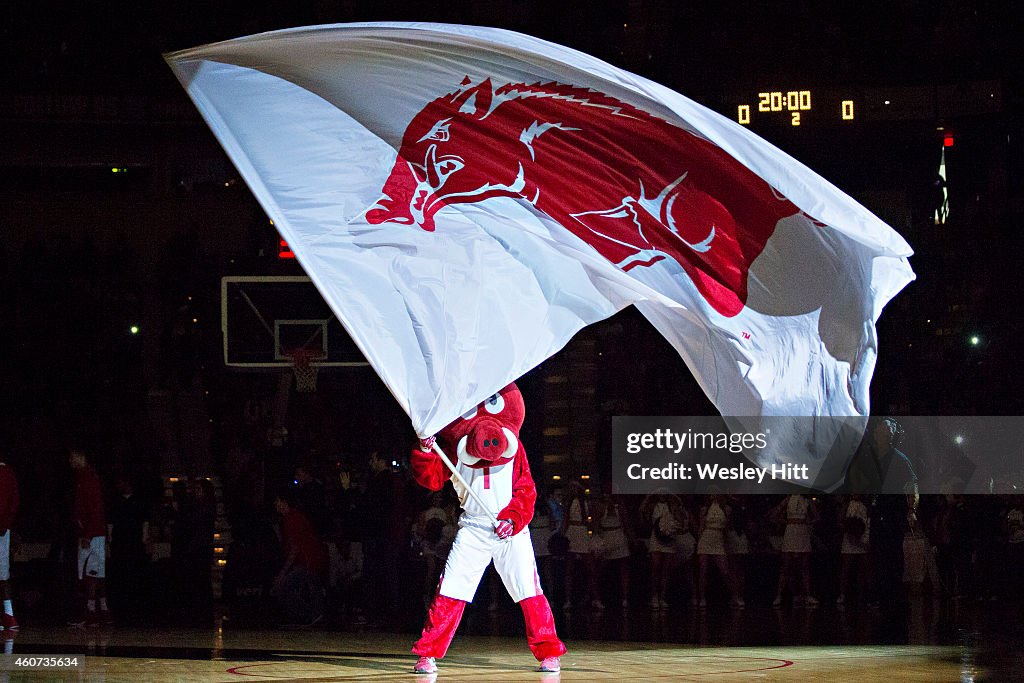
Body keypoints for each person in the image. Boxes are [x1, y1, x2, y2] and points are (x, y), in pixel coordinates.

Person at [409, 384, 565, 675]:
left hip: (510, 531)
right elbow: (430, 479)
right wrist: (426, 450)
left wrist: (513, 518)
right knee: (450, 591)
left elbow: (526, 490)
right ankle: (428, 653)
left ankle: (549, 651)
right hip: (474, 528)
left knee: (529, 591)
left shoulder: (514, 448)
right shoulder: (453, 451)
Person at [68, 447, 111, 627]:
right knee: (97, 572)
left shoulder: (88, 478)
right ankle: (104, 611)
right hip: (94, 533)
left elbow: (95, 509)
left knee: (90, 573)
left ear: (79, 456)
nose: (70, 461)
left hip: (91, 535)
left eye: (71, 457)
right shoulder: (87, 477)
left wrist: (88, 534)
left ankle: (91, 613)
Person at [272, 491, 328, 625]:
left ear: (283, 501)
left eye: (277, 501)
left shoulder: (291, 519)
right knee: (309, 587)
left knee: (285, 586)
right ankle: (313, 614)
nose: (275, 504)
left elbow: (294, 547)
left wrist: (283, 572)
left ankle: (308, 614)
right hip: (311, 559)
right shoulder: (295, 517)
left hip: (307, 561)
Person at [107, 476, 150, 622]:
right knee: (120, 573)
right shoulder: (116, 501)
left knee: (134, 572)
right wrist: (111, 539)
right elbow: (111, 522)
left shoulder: (139, 501)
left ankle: (135, 605)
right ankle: (121, 605)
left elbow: (145, 521)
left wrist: (144, 539)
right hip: (120, 543)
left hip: (134, 543)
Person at [697, 494, 743, 608]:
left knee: (725, 571)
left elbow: (728, 528)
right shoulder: (704, 509)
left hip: (718, 538)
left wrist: (727, 544)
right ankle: (702, 598)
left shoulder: (726, 509)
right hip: (706, 538)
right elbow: (701, 527)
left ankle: (735, 596)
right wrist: (698, 541)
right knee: (703, 570)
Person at [773, 494, 818, 607]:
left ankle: (807, 596)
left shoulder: (807, 500)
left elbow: (817, 516)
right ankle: (779, 596)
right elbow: (774, 514)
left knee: (804, 566)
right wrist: (787, 522)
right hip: (790, 532)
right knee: (786, 566)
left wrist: (808, 523)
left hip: (802, 533)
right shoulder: (787, 499)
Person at [837, 495, 870, 606]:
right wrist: (850, 531)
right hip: (849, 539)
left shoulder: (865, 506)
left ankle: (862, 594)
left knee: (863, 568)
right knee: (846, 567)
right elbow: (840, 521)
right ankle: (843, 594)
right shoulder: (847, 505)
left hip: (863, 537)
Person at [0, 457, 19, 631]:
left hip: (2, 531)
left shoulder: (5, 472)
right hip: (3, 529)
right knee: (3, 574)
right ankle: (7, 615)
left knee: (3, 574)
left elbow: (13, 501)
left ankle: (9, 615)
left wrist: (5, 524)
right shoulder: (8, 472)